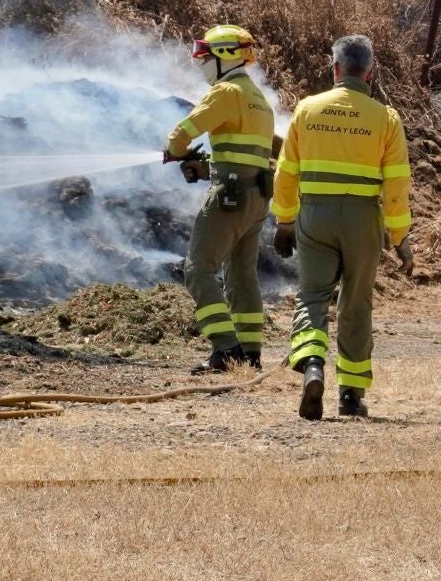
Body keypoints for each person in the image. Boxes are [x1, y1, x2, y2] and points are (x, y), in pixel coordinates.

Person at [270, 34, 414, 420]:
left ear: (335, 69)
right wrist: (400, 238)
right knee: (355, 304)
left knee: (312, 296)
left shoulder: (307, 109)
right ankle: (351, 395)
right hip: (363, 219)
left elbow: (285, 174)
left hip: (314, 215)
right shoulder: (385, 118)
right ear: (370, 72)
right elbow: (397, 186)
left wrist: (284, 222)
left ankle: (312, 366)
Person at [163, 24, 277, 372]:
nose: (200, 62)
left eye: (205, 55)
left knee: (198, 270)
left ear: (226, 55)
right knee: (242, 276)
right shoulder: (258, 99)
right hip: (257, 197)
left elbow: (183, 133)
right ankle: (250, 352)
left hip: (230, 196)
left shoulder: (225, 92)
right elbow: (245, 152)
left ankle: (226, 351)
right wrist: (205, 165)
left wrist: (174, 151)